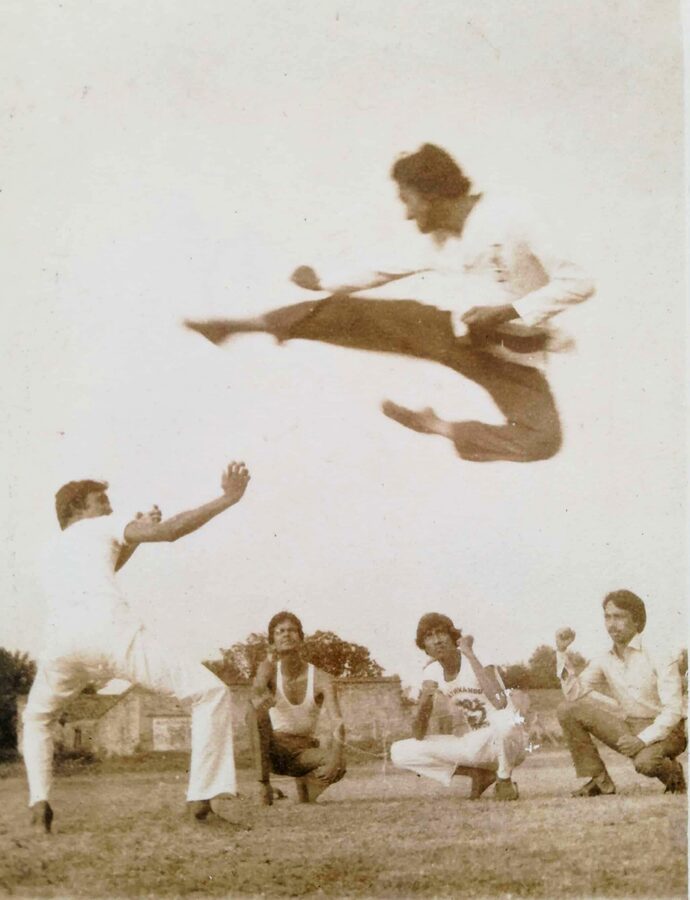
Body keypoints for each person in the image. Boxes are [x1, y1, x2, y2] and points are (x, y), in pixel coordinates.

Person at [185, 143, 594, 463]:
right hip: (451, 334)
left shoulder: (511, 216)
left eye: (407, 199)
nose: (406, 214)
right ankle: (237, 327)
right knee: (358, 315)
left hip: (511, 360)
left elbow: (579, 282)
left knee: (544, 440)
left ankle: (438, 426)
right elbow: (385, 268)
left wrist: (509, 311)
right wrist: (323, 281)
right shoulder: (441, 240)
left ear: (431, 195)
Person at [23, 461, 251, 832]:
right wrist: (228, 498)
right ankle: (201, 805)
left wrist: (136, 533)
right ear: (78, 508)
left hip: (61, 644)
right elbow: (172, 531)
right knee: (209, 693)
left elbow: (106, 567)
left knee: (36, 718)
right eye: (102, 501)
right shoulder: (100, 526)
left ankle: (39, 804)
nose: (110, 509)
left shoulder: (51, 550)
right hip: (112, 633)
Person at [556, 589, 686, 797]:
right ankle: (599, 781)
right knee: (568, 709)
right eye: (607, 617)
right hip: (630, 724)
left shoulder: (659, 653)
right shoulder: (604, 658)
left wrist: (641, 741)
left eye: (619, 617)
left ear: (637, 621)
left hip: (669, 730)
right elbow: (573, 693)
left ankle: (674, 774)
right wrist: (562, 653)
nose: (611, 624)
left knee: (645, 763)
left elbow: (673, 711)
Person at [390, 613, 528, 800]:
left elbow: (499, 702)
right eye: (429, 636)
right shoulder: (431, 671)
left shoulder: (477, 657)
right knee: (399, 752)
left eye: (441, 633)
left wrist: (470, 655)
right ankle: (478, 774)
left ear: (453, 636)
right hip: (478, 742)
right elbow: (419, 734)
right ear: (425, 647)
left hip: (511, 741)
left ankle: (504, 780)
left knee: (504, 721)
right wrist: (424, 702)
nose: (437, 641)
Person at [247, 611, 346, 804]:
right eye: (280, 631)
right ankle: (263, 784)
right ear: (272, 641)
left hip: (304, 752)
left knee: (339, 762)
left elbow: (338, 722)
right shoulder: (268, 670)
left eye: (292, 630)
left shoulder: (321, 678)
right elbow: (256, 694)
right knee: (253, 711)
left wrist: (336, 758)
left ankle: (306, 786)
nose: (286, 634)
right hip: (272, 750)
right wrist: (267, 664)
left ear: (301, 638)